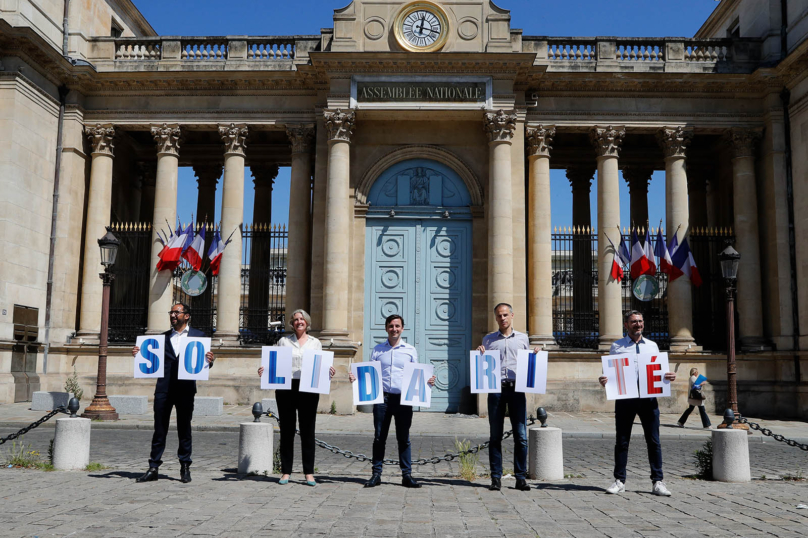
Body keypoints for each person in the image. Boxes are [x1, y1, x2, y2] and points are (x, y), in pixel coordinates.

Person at [349, 314, 436, 488]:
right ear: (386, 328)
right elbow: (369, 374)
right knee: (379, 437)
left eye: (397, 326)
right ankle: (376, 474)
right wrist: (356, 379)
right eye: (391, 326)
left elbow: (417, 375)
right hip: (382, 399)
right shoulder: (378, 350)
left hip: (403, 399)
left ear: (402, 328)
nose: (394, 329)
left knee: (404, 438)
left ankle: (406, 475)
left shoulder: (410, 350)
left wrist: (428, 381)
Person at [132, 302, 215, 484]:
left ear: (186, 315)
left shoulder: (198, 337)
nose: (173, 315)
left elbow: (202, 364)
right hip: (164, 388)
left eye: (176, 312)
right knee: (159, 429)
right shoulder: (161, 339)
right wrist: (139, 352)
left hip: (185, 390)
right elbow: (150, 359)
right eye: (171, 312)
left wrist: (210, 360)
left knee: (184, 429)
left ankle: (185, 467)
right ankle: (153, 467)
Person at [598, 310, 676, 496]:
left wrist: (668, 376)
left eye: (640, 321)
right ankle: (619, 480)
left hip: (649, 398)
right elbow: (608, 373)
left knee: (654, 441)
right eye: (634, 322)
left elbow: (658, 370)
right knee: (622, 441)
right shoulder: (617, 346)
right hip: (625, 398)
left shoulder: (652, 346)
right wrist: (604, 379)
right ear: (626, 325)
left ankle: (658, 481)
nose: (638, 324)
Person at [257, 309, 335, 486]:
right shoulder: (283, 341)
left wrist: (329, 371)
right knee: (287, 430)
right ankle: (286, 472)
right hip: (286, 388)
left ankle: (309, 473)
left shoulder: (316, 343)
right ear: (292, 323)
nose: (299, 322)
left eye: (302, 319)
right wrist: (264, 370)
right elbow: (273, 362)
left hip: (308, 388)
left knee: (308, 431)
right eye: (295, 320)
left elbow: (321, 366)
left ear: (307, 322)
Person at [477, 303, 540, 492]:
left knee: (520, 436)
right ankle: (495, 478)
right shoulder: (488, 340)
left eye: (505, 315)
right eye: (499, 316)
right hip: (495, 390)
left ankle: (520, 478)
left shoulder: (523, 338)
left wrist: (534, 355)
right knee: (495, 436)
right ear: (495, 318)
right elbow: (483, 366)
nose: (502, 318)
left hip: (516, 390)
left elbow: (528, 363)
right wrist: (480, 354)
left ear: (512, 315)